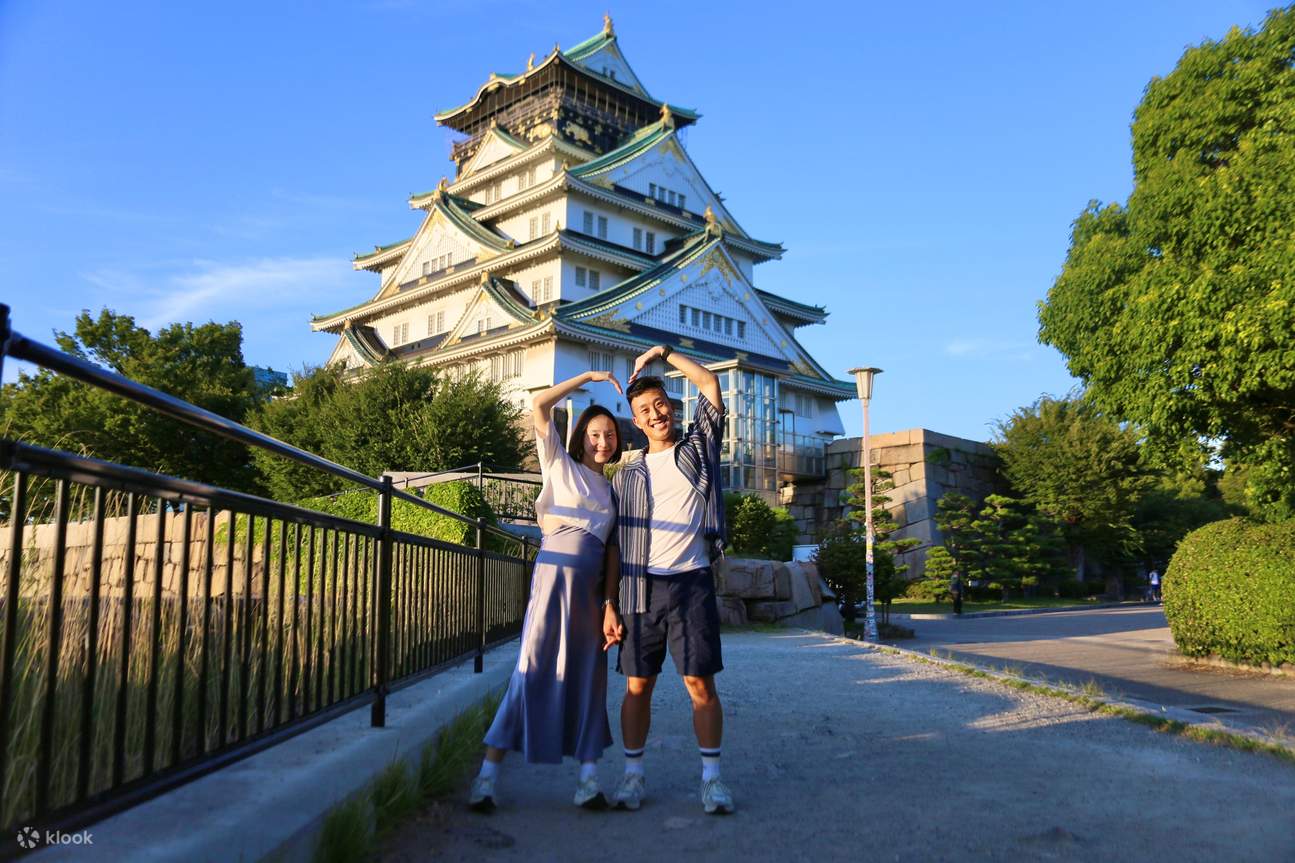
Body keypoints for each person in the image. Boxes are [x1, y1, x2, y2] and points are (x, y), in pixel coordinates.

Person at [469, 370, 626, 812]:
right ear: (582, 436)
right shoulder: (559, 464)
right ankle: (486, 778)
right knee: (532, 667)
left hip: (591, 594)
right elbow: (540, 406)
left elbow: (613, 553)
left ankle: (588, 781)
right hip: (552, 580)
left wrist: (610, 603)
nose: (603, 441)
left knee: (589, 677)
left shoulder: (613, 492)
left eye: (610, 434)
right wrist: (590, 376)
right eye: (595, 433)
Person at [603, 344, 734, 816]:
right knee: (637, 685)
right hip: (640, 590)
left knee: (700, 684)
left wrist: (664, 353)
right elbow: (614, 543)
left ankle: (712, 780)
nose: (655, 414)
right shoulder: (627, 471)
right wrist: (608, 603)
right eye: (645, 410)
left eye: (661, 405)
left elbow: (711, 386)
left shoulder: (698, 446)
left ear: (671, 409)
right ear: (635, 422)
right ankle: (633, 775)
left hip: (691, 583)